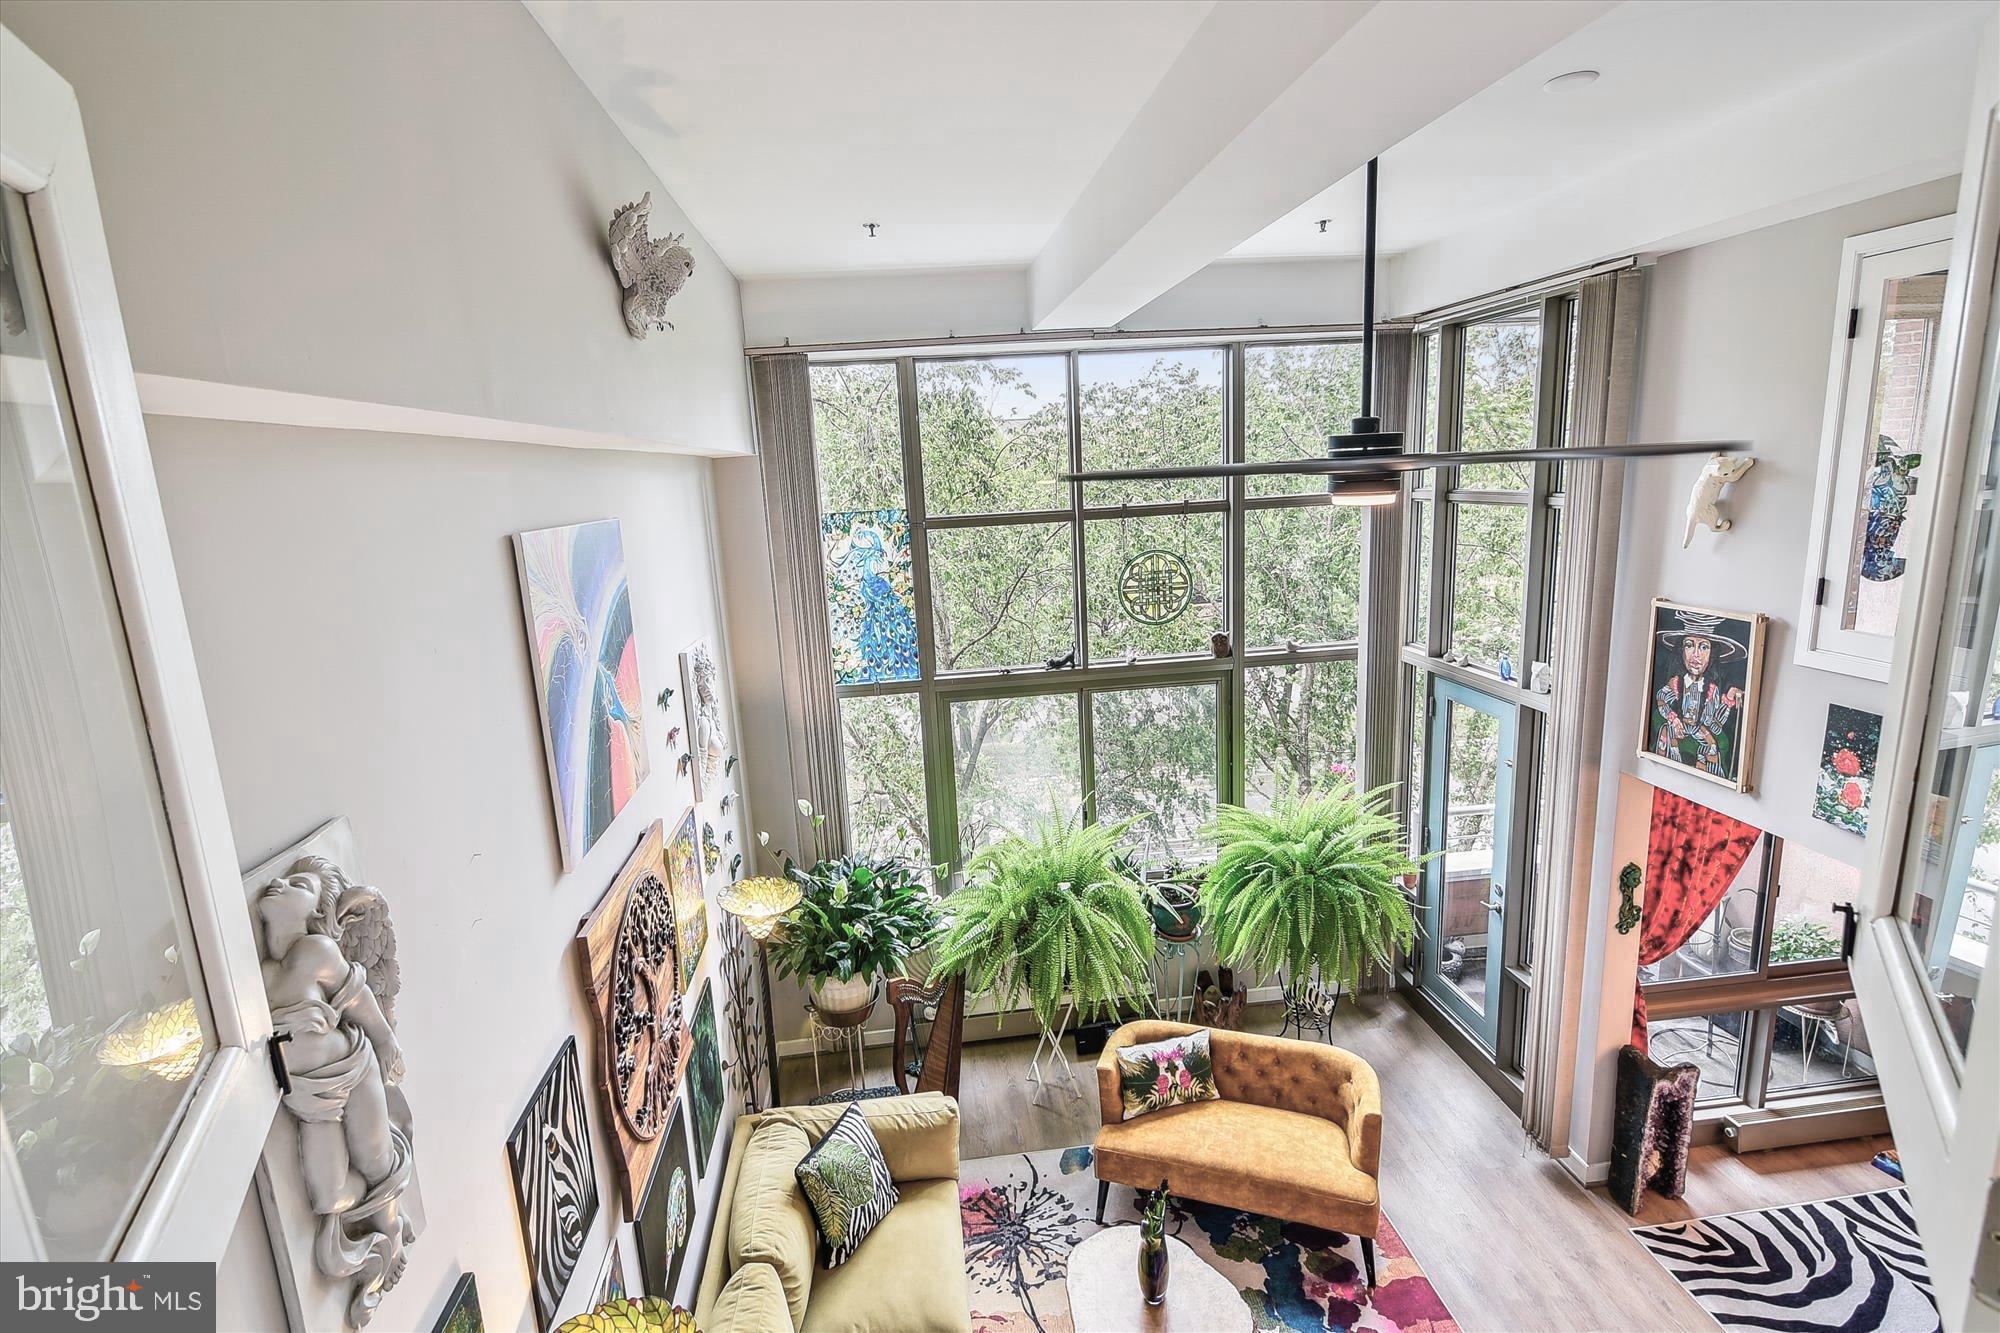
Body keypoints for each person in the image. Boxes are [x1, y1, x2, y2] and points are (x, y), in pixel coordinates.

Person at [1653, 611, 1748, 778]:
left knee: (1711, 746)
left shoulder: (1711, 689)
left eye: (1704, 647)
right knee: (1667, 735)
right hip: (1678, 727)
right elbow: (1661, 699)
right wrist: (1674, 720)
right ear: (1681, 651)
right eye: (1689, 645)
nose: (1696, 654)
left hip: (1699, 729)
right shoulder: (1676, 683)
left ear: (1711, 655)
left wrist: (1728, 700)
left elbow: (1714, 724)